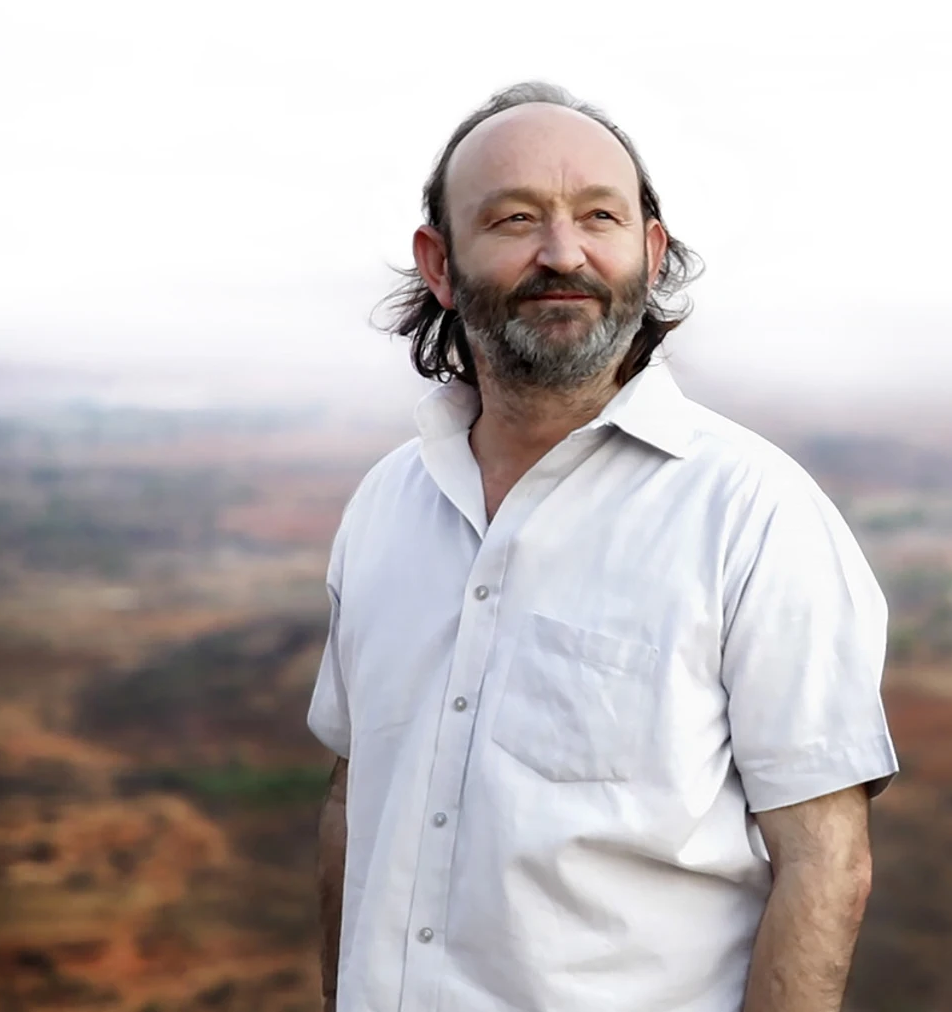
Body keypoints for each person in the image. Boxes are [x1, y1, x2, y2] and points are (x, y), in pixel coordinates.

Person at [308, 82, 898, 1012]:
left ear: (650, 252)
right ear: (440, 263)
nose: (562, 253)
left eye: (599, 217)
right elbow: (354, 802)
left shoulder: (753, 512)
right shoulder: (388, 504)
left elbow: (826, 864)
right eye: (513, 219)